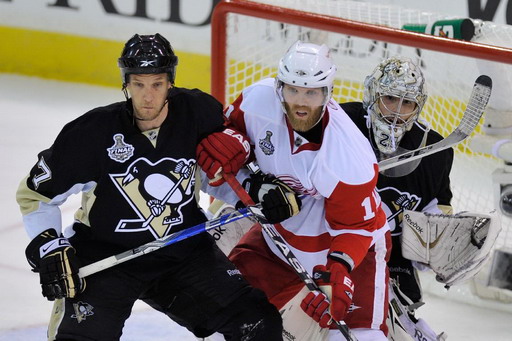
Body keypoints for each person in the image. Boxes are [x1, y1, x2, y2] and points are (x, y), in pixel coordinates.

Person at [16, 33, 284, 341]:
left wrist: (257, 193)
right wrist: (49, 245)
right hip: (107, 257)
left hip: (182, 252)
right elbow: (34, 194)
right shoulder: (91, 133)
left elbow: (218, 175)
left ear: (170, 82)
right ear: (126, 83)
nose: (147, 97)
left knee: (258, 322)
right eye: (139, 84)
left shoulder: (197, 113)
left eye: (156, 84)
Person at [198, 40, 391, 341]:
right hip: (280, 240)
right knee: (228, 309)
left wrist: (338, 273)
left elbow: (354, 226)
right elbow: (227, 145)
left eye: (311, 92)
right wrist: (235, 145)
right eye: (293, 90)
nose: (301, 102)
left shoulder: (348, 156)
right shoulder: (256, 102)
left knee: (360, 337)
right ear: (279, 87)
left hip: (352, 251)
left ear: (327, 93)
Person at [341, 56, 452, 340]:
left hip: (392, 262)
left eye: (408, 103)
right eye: (390, 98)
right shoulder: (342, 126)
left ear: (419, 106)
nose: (397, 112)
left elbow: (436, 211)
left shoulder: (435, 153)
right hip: (335, 247)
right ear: (372, 94)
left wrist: (435, 245)